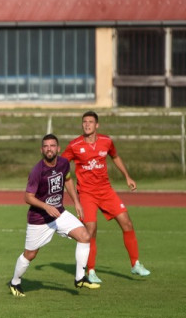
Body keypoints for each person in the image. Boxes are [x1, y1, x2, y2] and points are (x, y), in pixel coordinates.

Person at [62, 111, 151, 284]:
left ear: (97, 125)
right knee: (91, 231)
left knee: (127, 222)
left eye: (90, 122)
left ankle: (135, 264)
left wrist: (127, 176)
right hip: (87, 194)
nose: (87, 124)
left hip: (106, 191)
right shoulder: (75, 145)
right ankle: (92, 271)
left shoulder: (106, 141)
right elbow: (61, 165)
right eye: (84, 122)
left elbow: (115, 157)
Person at [7, 134, 99, 297]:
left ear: (58, 148)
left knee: (85, 236)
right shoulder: (37, 171)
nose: (49, 149)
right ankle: (15, 282)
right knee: (30, 254)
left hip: (59, 214)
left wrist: (76, 202)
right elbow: (27, 197)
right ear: (41, 150)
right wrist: (46, 206)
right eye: (46, 146)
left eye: (52, 146)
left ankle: (80, 278)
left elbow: (68, 180)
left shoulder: (63, 163)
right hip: (39, 220)